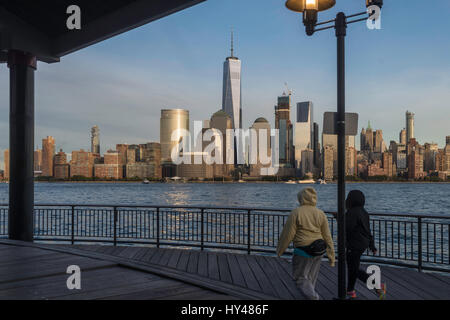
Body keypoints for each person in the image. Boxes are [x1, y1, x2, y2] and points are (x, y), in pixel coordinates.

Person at [277, 187, 335, 300]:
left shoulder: (296, 213)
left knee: (300, 278)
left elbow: (288, 234)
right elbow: (327, 236)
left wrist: (280, 250)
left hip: (302, 251)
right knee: (311, 279)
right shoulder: (320, 213)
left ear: (301, 198)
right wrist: (331, 256)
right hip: (319, 251)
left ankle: (314, 298)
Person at [345, 190, 386, 299]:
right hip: (362, 243)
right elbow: (367, 230)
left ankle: (377, 286)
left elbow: (347, 227)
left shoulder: (352, 212)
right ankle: (350, 291)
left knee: (354, 269)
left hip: (354, 244)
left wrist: (339, 218)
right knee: (353, 267)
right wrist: (372, 246)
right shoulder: (363, 212)